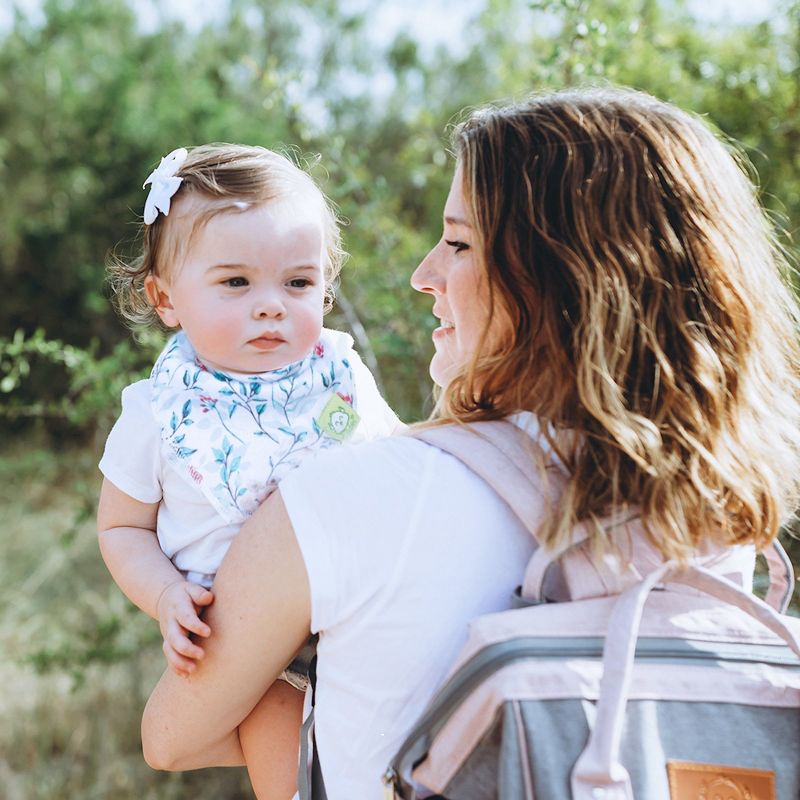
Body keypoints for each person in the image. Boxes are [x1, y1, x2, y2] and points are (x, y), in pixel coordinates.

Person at [140, 88, 800, 798]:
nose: (425, 274)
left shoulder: (354, 498)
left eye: (457, 243)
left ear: (559, 279)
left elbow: (173, 737)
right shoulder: (713, 516)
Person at [96, 143, 399, 799]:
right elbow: (122, 529)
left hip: (355, 619)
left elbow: (394, 459)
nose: (271, 305)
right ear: (165, 297)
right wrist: (164, 595)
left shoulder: (337, 383)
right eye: (236, 282)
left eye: (298, 283)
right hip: (246, 640)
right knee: (275, 719)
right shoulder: (159, 412)